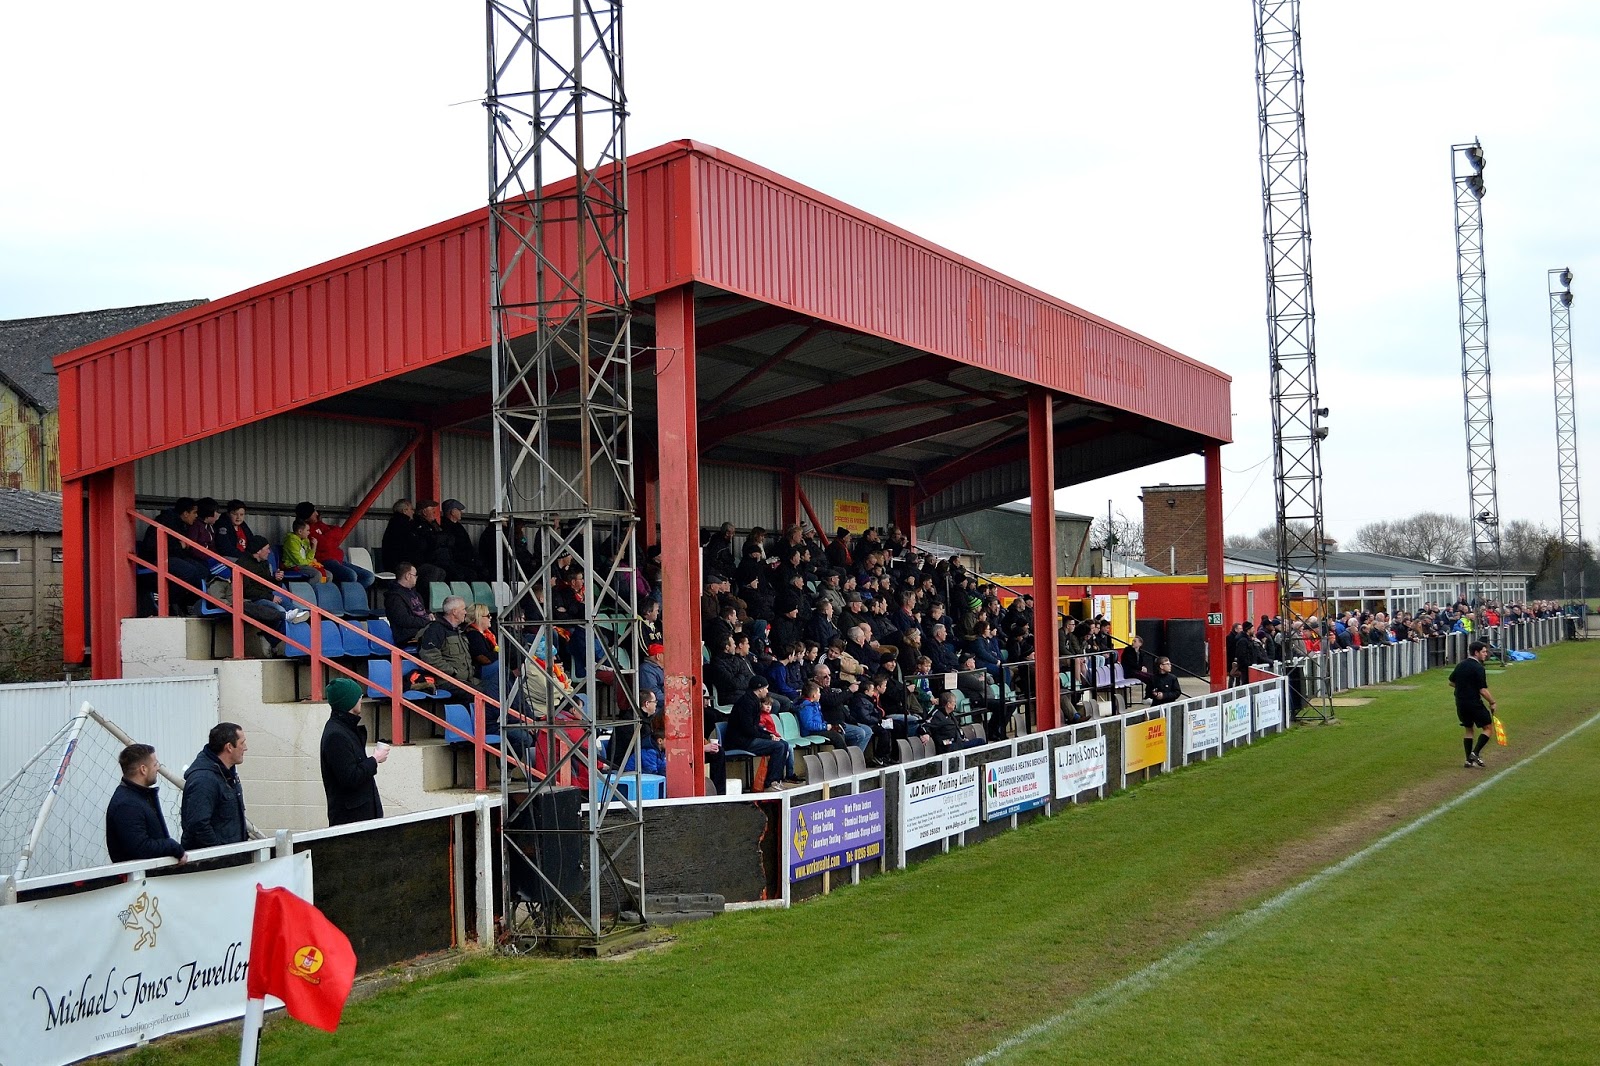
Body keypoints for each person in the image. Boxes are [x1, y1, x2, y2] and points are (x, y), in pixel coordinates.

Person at [320, 675, 387, 825]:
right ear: (348, 702)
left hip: (362, 818)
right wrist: (374, 759)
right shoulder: (336, 736)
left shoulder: (345, 729)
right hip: (351, 822)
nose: (361, 700)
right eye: (358, 697)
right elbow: (350, 778)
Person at [106, 743, 186, 863]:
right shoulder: (127, 805)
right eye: (155, 764)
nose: (158, 767)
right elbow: (140, 848)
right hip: (142, 879)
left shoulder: (140, 797)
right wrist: (173, 847)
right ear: (143, 769)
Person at [180, 723, 249, 849]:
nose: (245, 748)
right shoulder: (203, 780)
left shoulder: (228, 774)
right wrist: (221, 854)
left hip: (232, 858)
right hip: (214, 863)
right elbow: (198, 825)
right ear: (229, 747)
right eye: (242, 743)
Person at [724, 676, 799, 791]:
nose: (767, 691)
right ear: (760, 689)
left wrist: (769, 735)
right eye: (766, 688)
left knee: (783, 744)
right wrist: (767, 737)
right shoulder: (747, 703)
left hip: (748, 738)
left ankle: (776, 781)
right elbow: (748, 729)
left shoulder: (753, 701)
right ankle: (770, 783)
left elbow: (755, 727)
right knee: (778, 746)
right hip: (741, 741)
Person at [1449, 640, 1498, 768]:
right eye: (1484, 652)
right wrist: (1492, 702)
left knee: (1468, 729)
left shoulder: (1460, 665)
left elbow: (1451, 682)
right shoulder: (1478, 668)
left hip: (1460, 702)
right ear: (1476, 652)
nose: (1486, 654)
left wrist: (1463, 688)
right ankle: (1475, 753)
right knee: (1487, 727)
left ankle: (1468, 760)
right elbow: (1482, 689)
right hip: (1473, 702)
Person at [385, 562, 431, 646]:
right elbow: (404, 620)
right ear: (408, 576)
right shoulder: (394, 597)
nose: (416, 578)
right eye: (415, 575)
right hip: (408, 636)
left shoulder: (415, 594)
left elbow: (422, 610)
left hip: (422, 630)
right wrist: (426, 621)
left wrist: (430, 614)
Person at [281, 516, 329, 582]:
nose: (309, 532)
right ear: (300, 531)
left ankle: (323, 591)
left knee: (329, 575)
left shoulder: (305, 540)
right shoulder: (291, 541)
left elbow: (309, 557)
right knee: (317, 575)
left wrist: (314, 547)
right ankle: (310, 591)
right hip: (293, 566)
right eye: (307, 530)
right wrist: (310, 562)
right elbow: (299, 561)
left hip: (305, 564)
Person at [380, 498, 416, 574]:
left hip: (392, 562)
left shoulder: (394, 523)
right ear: (404, 511)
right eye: (411, 509)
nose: (413, 512)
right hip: (400, 564)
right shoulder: (404, 525)